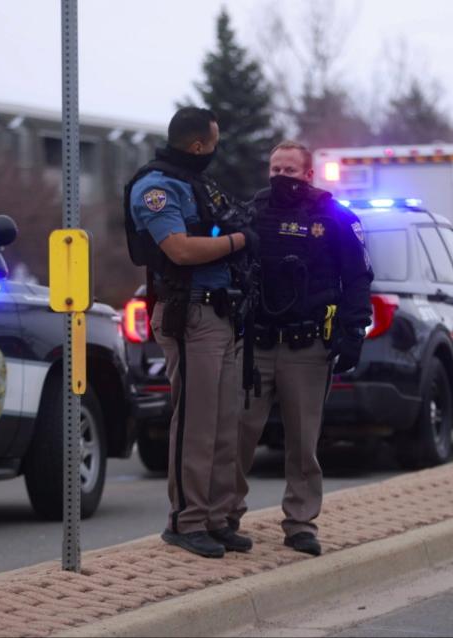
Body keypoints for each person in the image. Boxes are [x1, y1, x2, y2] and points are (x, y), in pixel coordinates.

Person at [226, 141, 373, 556]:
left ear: (309, 174)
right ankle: (226, 516)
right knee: (238, 434)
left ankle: (301, 523)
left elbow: (358, 278)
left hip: (307, 345)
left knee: (303, 442)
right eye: (275, 169)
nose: (280, 177)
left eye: (290, 170)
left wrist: (353, 331)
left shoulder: (336, 217)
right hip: (255, 346)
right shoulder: (251, 213)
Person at [125, 107, 256, 558]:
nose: (215, 152)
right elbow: (178, 249)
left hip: (222, 314)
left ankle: (217, 518)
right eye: (213, 143)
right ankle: (186, 521)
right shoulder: (157, 187)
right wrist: (238, 241)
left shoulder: (199, 184)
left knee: (224, 425)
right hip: (190, 316)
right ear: (198, 144)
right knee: (195, 424)